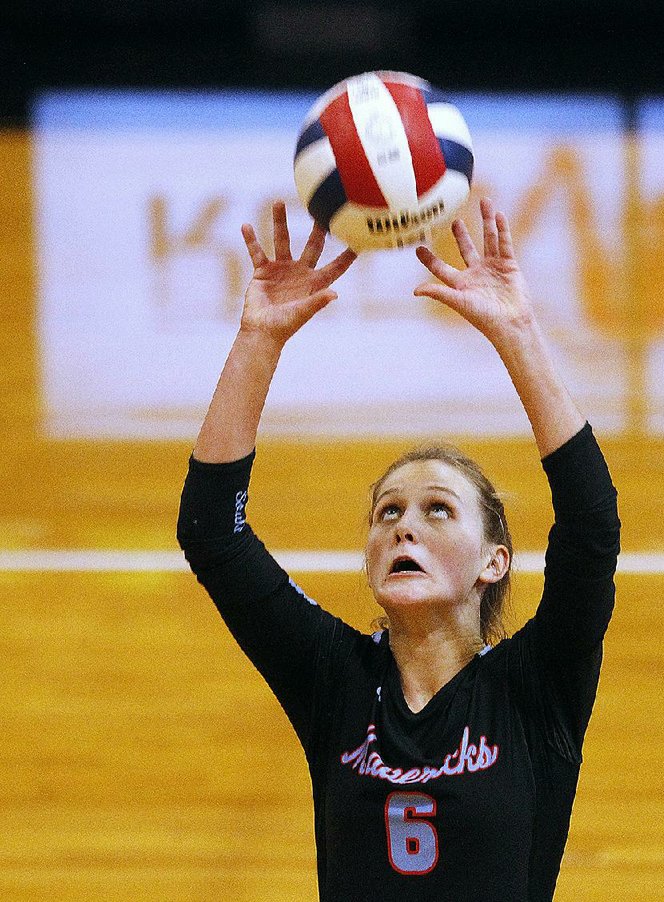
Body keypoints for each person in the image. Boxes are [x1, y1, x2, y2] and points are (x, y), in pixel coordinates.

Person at [177, 198, 620, 901]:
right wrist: (259, 339)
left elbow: (592, 529)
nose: (402, 528)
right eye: (388, 513)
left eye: (437, 510)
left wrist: (518, 334)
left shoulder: (534, 688)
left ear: (493, 561)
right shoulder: (337, 683)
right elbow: (213, 534)